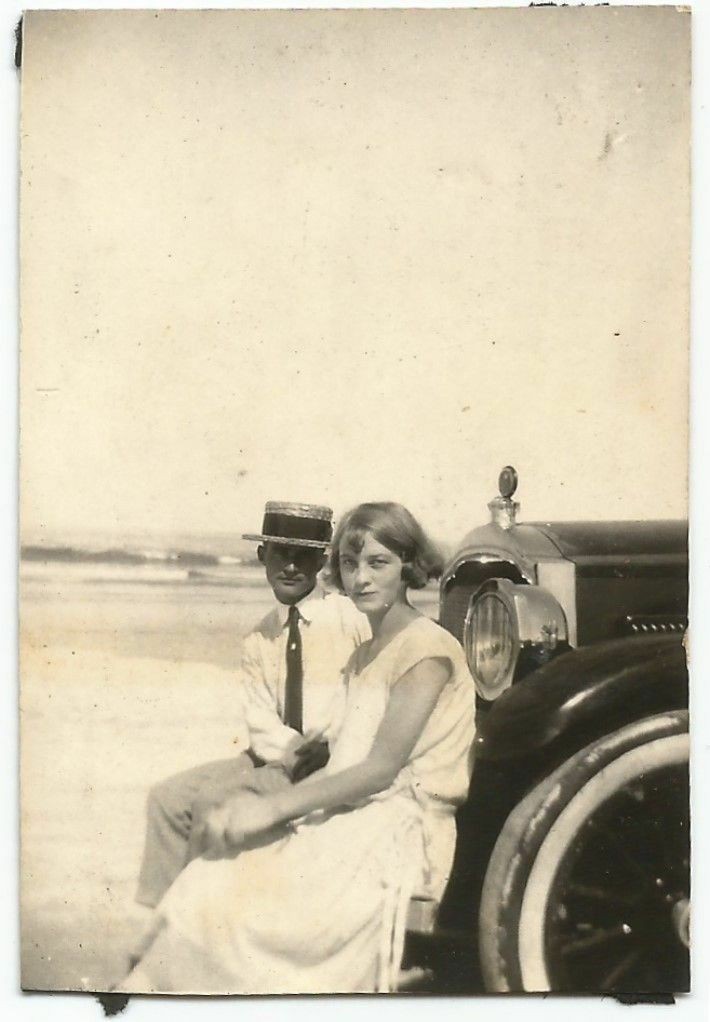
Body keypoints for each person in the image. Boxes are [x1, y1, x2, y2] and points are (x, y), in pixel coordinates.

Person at [118, 502, 475, 995]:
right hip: (354, 819)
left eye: (378, 563)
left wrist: (272, 808)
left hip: (400, 833)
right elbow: (342, 758)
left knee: (245, 910)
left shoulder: (425, 650)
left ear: (409, 567)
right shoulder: (365, 654)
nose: (361, 579)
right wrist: (268, 803)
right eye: (350, 565)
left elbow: (378, 770)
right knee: (208, 881)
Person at [134, 500, 370, 911]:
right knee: (167, 798)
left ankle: (202, 917)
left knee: (213, 803)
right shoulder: (260, 637)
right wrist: (290, 751)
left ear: (322, 560)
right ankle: (163, 916)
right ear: (263, 556)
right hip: (278, 754)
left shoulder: (350, 619)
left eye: (303, 556)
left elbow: (366, 691)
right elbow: (260, 720)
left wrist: (324, 744)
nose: (291, 567)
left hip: (329, 757)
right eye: (280, 554)